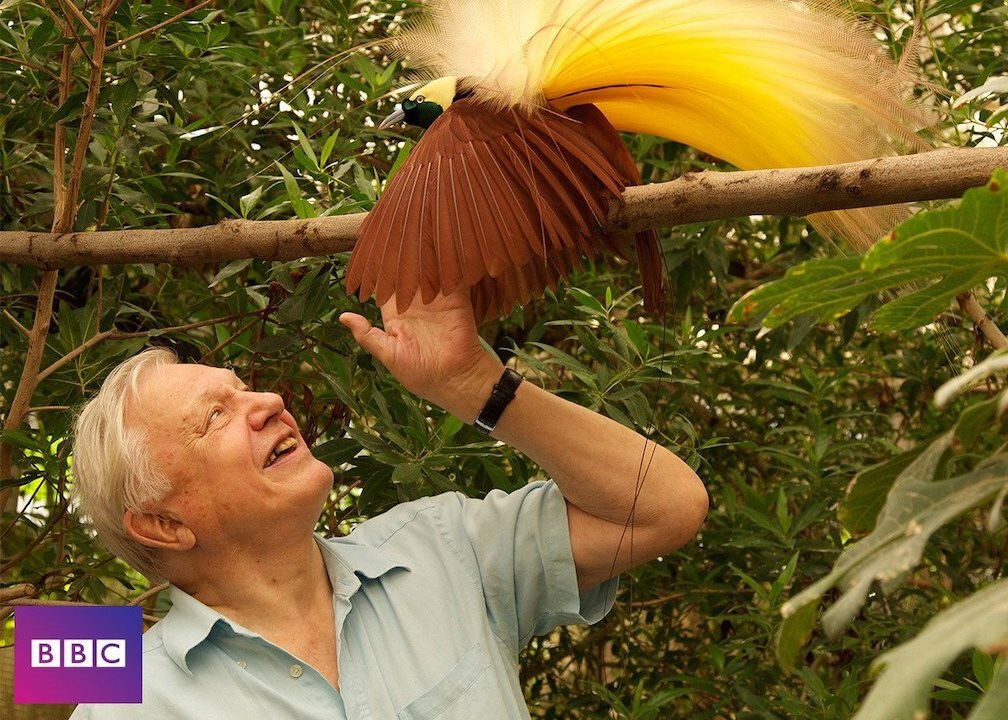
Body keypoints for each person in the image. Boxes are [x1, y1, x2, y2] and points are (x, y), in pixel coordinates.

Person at [67, 290, 709, 719]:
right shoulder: (127, 700)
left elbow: (664, 508)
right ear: (161, 524)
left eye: (244, 390)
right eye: (214, 416)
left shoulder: (445, 548)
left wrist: (472, 384)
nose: (266, 403)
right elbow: (39, 654)